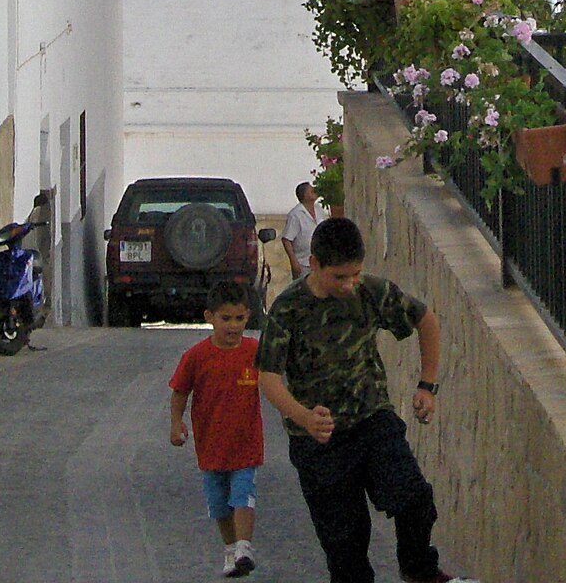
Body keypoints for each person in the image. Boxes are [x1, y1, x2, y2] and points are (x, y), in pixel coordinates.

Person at [256, 215, 477, 583]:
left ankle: (419, 571)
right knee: (346, 550)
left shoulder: (371, 292)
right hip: (318, 442)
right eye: (339, 277)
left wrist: (428, 385)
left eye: (355, 274)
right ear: (315, 265)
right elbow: (268, 377)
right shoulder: (288, 308)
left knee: (414, 498)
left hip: (372, 421)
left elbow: (425, 320)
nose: (349, 284)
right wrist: (304, 417)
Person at [170, 281, 264, 579]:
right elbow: (180, 392)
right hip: (211, 447)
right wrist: (176, 422)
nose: (233, 326)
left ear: (248, 316)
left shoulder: (255, 351)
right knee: (220, 505)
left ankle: (245, 547)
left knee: (243, 495)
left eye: (239, 318)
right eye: (225, 319)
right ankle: (230, 549)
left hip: (246, 445)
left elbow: (274, 382)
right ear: (209, 317)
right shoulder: (196, 356)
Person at [281, 181, 318, 279]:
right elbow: (286, 239)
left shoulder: (319, 210)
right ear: (304, 195)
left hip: (318, 262)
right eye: (310, 190)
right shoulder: (295, 215)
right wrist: (294, 261)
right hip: (303, 263)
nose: (314, 191)